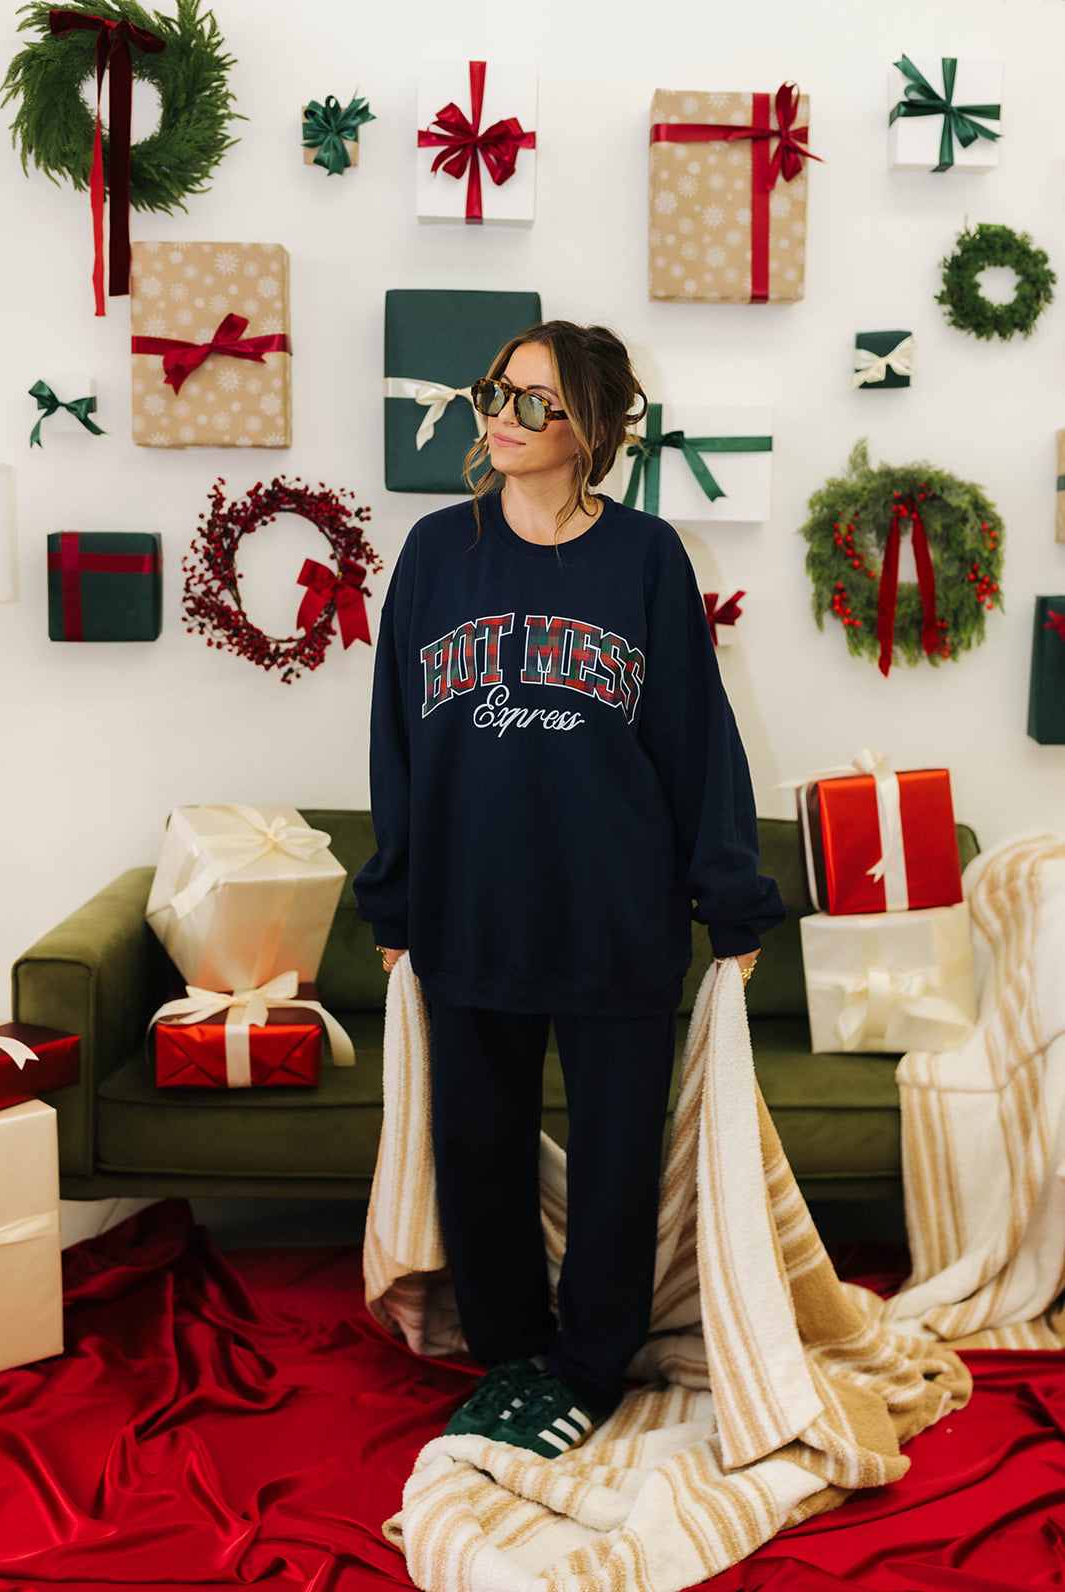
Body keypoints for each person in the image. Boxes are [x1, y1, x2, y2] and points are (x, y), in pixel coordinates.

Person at [354, 321, 786, 1459]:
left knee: (612, 1167)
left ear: (588, 429)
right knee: (480, 1149)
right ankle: (508, 1352)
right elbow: (394, 738)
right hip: (471, 909)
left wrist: (728, 899)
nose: (500, 413)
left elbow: (696, 739)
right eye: (495, 389)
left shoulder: (646, 557)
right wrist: (393, 903)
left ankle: (591, 1363)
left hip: (615, 912)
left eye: (534, 402)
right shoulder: (436, 552)